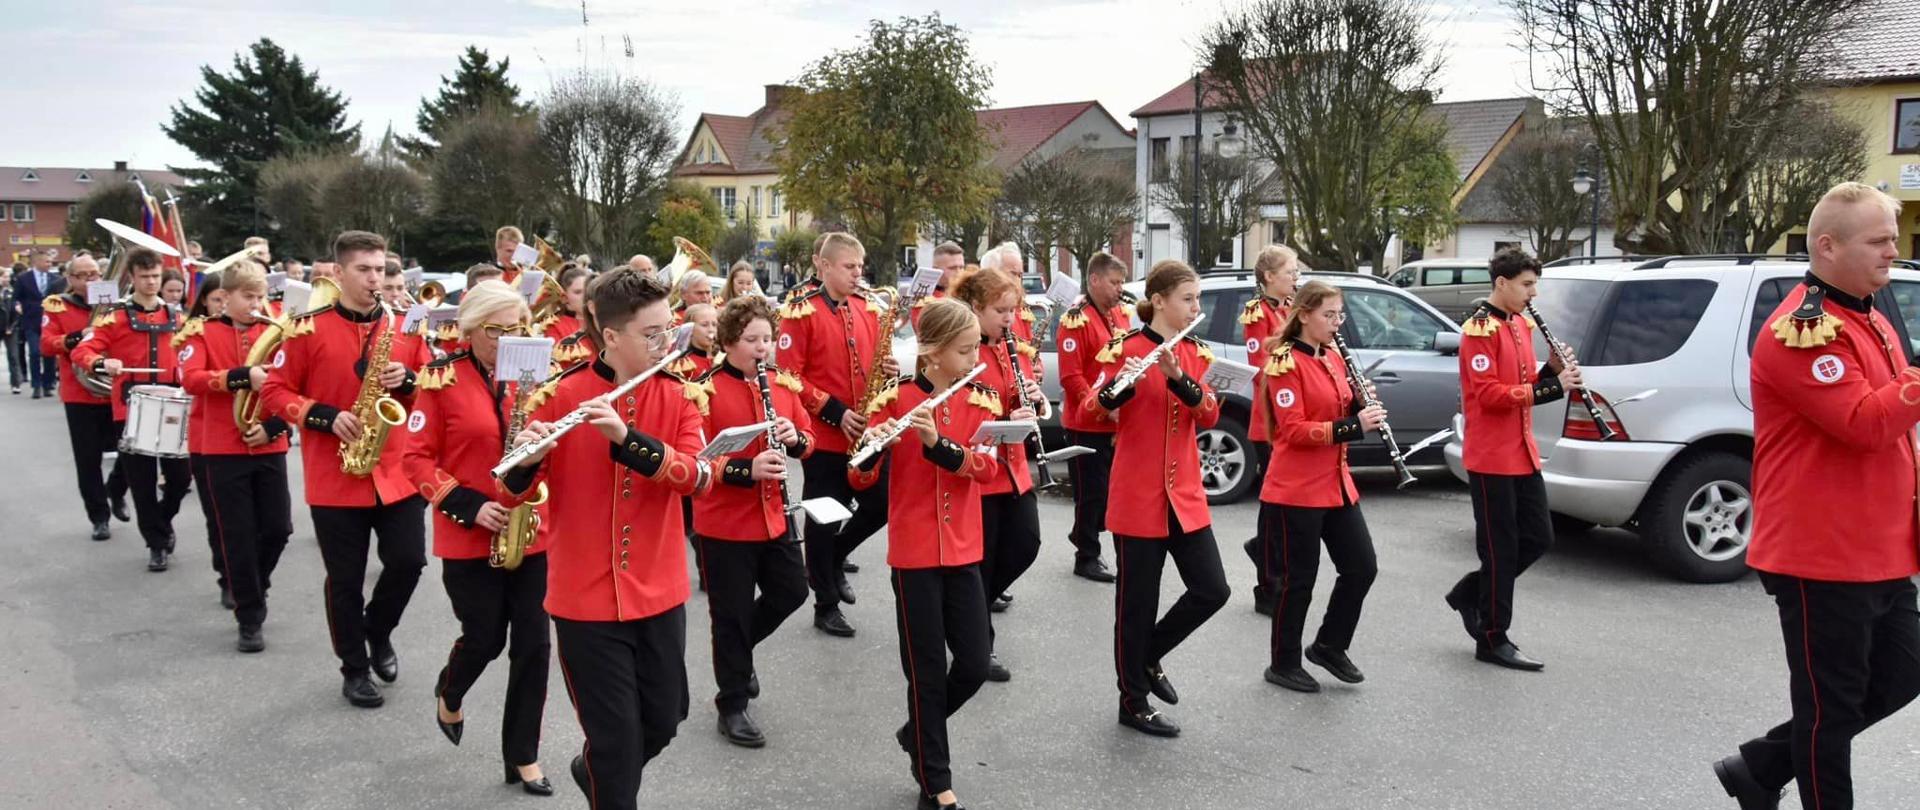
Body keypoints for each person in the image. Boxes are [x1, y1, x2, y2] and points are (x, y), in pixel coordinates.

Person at [1713, 182, 1920, 810]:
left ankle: (1760, 766)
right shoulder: (1802, 330)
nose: (1893, 251)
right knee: (1829, 714)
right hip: (1822, 554)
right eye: (1880, 240)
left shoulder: (1870, 315)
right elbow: (1865, 423)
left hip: (1880, 548)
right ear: (1826, 246)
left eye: (1892, 239)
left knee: (1902, 673)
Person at [501, 268, 714, 810]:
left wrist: (628, 439)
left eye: (671, 328)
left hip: (659, 590)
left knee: (665, 722)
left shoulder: (681, 393)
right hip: (584, 601)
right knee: (617, 745)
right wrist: (526, 461)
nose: (667, 341)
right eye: (653, 333)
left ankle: (589, 768)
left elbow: (699, 475)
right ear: (612, 336)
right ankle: (607, 778)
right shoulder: (561, 394)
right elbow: (510, 495)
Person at [259, 230, 432, 709]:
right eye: (364, 269)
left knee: (409, 562)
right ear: (338, 273)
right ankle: (354, 667)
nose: (375, 278)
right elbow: (273, 392)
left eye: (379, 269)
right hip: (336, 475)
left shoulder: (404, 328)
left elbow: (430, 391)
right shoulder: (305, 328)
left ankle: (378, 631)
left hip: (396, 471)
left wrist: (410, 381)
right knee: (346, 579)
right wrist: (325, 416)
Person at [402, 280, 554, 796]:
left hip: (528, 529)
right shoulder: (440, 378)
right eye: (498, 330)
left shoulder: (533, 378)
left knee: (533, 645)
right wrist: (466, 504)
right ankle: (451, 689)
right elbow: (414, 458)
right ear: (470, 330)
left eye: (517, 328)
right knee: (486, 638)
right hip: (469, 533)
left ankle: (523, 756)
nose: (511, 339)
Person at [850, 297, 999, 810]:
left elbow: (988, 470)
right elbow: (859, 477)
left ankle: (917, 730)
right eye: (964, 349)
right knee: (926, 670)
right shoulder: (895, 400)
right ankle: (935, 780)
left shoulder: (981, 400)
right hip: (914, 552)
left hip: (962, 547)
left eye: (976, 345)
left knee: (975, 664)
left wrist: (940, 444)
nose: (974, 355)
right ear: (932, 353)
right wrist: (871, 449)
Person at [1095, 259, 1229, 738]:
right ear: (1160, 302)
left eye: (1197, 300)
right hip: (1137, 493)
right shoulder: (1124, 349)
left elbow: (1209, 414)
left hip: (1185, 494)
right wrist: (1121, 386)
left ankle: (1148, 656)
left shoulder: (1196, 352)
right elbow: (1094, 409)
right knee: (1136, 604)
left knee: (1213, 589)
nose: (1196, 307)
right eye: (1188, 299)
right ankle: (1132, 701)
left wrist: (1177, 376)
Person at [1441, 247, 1577, 672]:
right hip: (1491, 455)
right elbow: (1489, 395)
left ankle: (1471, 593)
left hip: (1522, 450)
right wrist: (1552, 389)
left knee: (1539, 537)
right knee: (1500, 549)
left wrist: (1552, 372)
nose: (1532, 293)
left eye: (1535, 284)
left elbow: (1522, 383)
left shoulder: (1520, 323)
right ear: (1502, 284)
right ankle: (1493, 637)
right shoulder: (1480, 330)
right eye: (1527, 285)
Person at [688, 295, 813, 748]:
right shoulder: (702, 390)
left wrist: (795, 437)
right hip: (724, 525)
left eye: (767, 339)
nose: (763, 348)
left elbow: (808, 442)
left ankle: (739, 655)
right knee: (731, 616)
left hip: (774, 517)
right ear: (727, 342)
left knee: (793, 591)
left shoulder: (781, 385)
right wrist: (745, 469)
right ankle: (732, 703)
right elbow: (694, 462)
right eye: (751, 340)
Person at [1254, 280, 1382, 693]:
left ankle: (1329, 644)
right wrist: (1353, 425)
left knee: (1362, 567)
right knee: (1299, 580)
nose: (1336, 323)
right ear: (1304, 314)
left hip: (1336, 483)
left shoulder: (1332, 358)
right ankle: (1283, 662)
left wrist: (1361, 404)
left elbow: (1339, 405)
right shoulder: (1284, 362)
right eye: (1329, 315)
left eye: (1339, 315)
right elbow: (1293, 431)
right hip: (1296, 489)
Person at [777, 232, 898, 638]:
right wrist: (833, 411)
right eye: (849, 266)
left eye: (860, 266)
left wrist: (889, 370)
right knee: (824, 518)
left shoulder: (868, 308)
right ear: (824, 267)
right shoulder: (800, 312)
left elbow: (875, 360)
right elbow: (787, 377)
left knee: (880, 504)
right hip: (825, 436)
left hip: (865, 432)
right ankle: (825, 603)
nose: (858, 274)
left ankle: (835, 559)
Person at [177, 262, 294, 652]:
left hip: (269, 443)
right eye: (248, 297)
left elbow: (296, 384)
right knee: (238, 535)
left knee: (278, 528)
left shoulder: (276, 332)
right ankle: (249, 616)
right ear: (224, 298)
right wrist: (242, 376)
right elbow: (190, 378)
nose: (256, 304)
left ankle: (254, 585)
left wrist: (275, 427)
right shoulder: (202, 332)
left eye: (260, 296)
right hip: (223, 448)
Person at [951, 265, 1044, 681]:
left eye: (1012, 310)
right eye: (1000, 311)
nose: (1009, 319)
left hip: (1015, 468)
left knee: (1026, 543)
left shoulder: (1013, 348)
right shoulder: (961, 350)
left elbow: (1022, 397)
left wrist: (1037, 403)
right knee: (984, 561)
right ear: (975, 308)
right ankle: (978, 644)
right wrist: (1008, 413)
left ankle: (968, 609)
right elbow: (962, 410)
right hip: (981, 469)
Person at [74, 249, 189, 571]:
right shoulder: (115, 316)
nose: (151, 282)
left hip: (170, 407)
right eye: (144, 277)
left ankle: (162, 521)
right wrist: (101, 361)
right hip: (130, 408)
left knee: (180, 479)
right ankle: (156, 544)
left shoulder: (177, 317)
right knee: (142, 483)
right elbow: (84, 350)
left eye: (155, 276)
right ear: (133, 278)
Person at [40, 255, 130, 540]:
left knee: (131, 450)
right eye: (83, 275)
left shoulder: (117, 305)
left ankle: (116, 489)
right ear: (71, 279)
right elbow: (46, 344)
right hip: (80, 392)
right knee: (87, 459)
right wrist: (80, 335)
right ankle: (99, 516)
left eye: (95, 273)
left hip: (115, 390)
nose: (90, 279)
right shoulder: (58, 305)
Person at [1052, 253, 1128, 583]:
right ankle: (1086, 555)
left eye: (1122, 282)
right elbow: (1072, 377)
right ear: (1094, 280)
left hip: (1114, 420)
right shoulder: (1075, 320)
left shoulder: (1118, 315)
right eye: (1114, 282)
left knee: (1108, 490)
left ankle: (1083, 533)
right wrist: (1099, 406)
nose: (1119, 290)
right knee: (1091, 491)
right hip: (1086, 422)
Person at [1242, 244, 1300, 617]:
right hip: (1270, 420)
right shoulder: (1257, 313)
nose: (1296, 278)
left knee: (1282, 504)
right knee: (1273, 501)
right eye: (1290, 271)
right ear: (1268, 277)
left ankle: (1263, 551)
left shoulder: (1292, 309)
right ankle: (1267, 582)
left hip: (1292, 416)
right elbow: (1261, 366)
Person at [180, 273, 233, 605]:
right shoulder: (197, 333)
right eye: (217, 299)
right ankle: (228, 576)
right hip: (207, 438)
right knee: (220, 517)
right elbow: (190, 378)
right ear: (204, 301)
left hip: (257, 437)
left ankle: (249, 574)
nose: (224, 306)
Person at [13, 249, 64, 398]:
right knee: (34, 353)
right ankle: (36, 385)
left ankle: (48, 384)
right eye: (46, 261)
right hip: (31, 320)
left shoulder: (55, 278)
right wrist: (17, 305)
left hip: (50, 322)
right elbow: (16, 297)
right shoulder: (23, 278)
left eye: (50, 262)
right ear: (36, 262)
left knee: (49, 352)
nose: (50, 264)